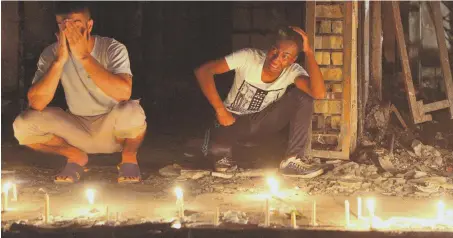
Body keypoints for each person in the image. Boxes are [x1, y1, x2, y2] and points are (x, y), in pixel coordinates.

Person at [12, 2, 147, 184]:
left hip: (114, 131)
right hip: (77, 130)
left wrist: (84, 57)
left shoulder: (112, 48)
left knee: (131, 110)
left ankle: (129, 157)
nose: (70, 29)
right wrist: (59, 61)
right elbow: (36, 104)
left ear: (89, 25)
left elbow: (123, 93)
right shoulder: (51, 53)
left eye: (76, 23)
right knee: (23, 124)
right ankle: (75, 157)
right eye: (64, 24)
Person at [194, 26, 326, 178]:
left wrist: (309, 52)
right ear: (270, 48)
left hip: (261, 123)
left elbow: (318, 93)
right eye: (275, 51)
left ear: (293, 60)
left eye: (285, 56)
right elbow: (203, 71)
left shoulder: (293, 71)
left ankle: (291, 160)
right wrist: (220, 110)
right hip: (231, 121)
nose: (277, 59)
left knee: (304, 97)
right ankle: (226, 154)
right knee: (215, 153)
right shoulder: (249, 57)